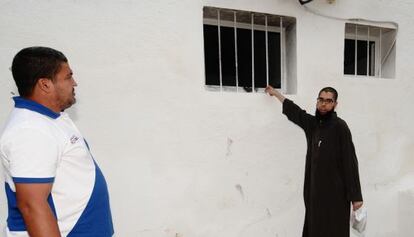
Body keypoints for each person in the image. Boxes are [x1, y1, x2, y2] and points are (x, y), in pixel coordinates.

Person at [0, 47, 114, 236]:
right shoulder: (31, 131)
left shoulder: (50, 119)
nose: (74, 83)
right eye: (68, 77)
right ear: (45, 85)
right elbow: (32, 206)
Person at [265, 85, 363, 237]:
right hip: (315, 195)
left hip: (336, 196)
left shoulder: (340, 127)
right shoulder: (313, 125)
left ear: (335, 104)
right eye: (321, 100)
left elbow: (350, 162)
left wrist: (356, 197)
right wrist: (276, 94)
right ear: (317, 102)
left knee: (334, 230)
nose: (324, 104)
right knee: (315, 229)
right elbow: (295, 112)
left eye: (328, 101)